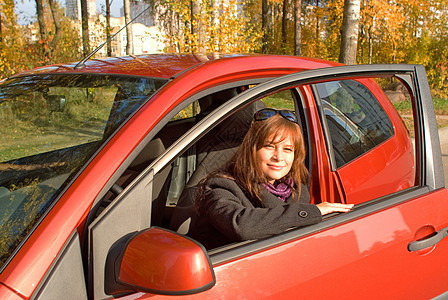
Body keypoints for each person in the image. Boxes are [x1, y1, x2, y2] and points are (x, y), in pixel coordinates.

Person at [189, 108, 353, 249]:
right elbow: (242, 226)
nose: (279, 157)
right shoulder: (221, 187)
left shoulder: (297, 189)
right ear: (252, 149)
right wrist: (312, 211)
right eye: (269, 146)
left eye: (288, 149)